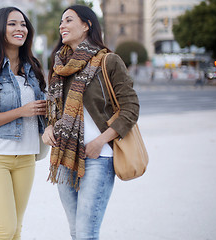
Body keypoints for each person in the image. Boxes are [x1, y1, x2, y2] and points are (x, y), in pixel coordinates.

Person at [41, 5, 140, 240]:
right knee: (77, 233)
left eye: (68, 20)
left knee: (86, 233)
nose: (61, 26)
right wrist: (48, 128)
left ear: (87, 25)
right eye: (60, 22)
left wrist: (100, 141)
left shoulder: (109, 62)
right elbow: (53, 112)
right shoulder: (59, 68)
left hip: (99, 157)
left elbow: (131, 108)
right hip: (65, 158)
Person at [0, 7, 46, 240]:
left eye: (23, 24)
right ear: (0, 29)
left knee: (17, 229)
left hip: (26, 158)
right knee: (5, 228)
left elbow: (41, 108)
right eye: (12, 24)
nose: (19, 29)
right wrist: (21, 112)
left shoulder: (32, 67)